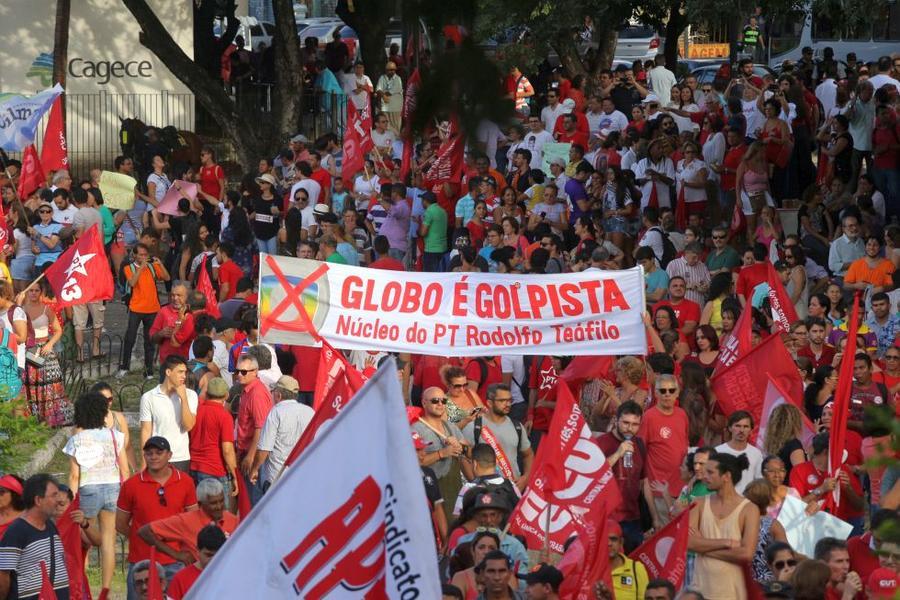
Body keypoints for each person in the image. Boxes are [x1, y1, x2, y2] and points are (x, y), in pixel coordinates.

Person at [116, 436, 198, 600]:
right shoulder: (131, 485)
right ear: (144, 456)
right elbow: (120, 524)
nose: (153, 457)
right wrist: (141, 539)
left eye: (159, 453)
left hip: (175, 561)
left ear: (169, 455)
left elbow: (193, 522)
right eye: (149, 453)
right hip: (141, 562)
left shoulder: (186, 482)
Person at [63, 391, 128, 591]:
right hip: (113, 489)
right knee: (108, 541)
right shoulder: (115, 435)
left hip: (88, 489)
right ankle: (106, 589)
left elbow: (74, 476)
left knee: (83, 538)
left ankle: (82, 585)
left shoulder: (78, 438)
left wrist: (70, 500)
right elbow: (124, 469)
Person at [688, 452, 760, 600]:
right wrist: (726, 543)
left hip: (734, 593)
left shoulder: (749, 509)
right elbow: (689, 543)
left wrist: (704, 550)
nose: (704, 476)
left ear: (726, 476)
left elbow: (746, 554)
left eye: (710, 472)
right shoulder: (698, 503)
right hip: (700, 591)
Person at [0, 474, 70, 600]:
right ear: (38, 500)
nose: (60, 501)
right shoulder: (17, 531)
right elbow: (3, 576)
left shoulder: (50, 526)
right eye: (54, 495)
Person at [138, 478, 236, 566]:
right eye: (213, 503)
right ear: (200, 504)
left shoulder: (233, 521)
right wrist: (177, 555)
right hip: (198, 579)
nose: (219, 506)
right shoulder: (186, 521)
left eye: (221, 501)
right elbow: (145, 532)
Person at [595, 401, 651, 552]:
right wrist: (618, 453)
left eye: (635, 424)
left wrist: (655, 517)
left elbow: (644, 482)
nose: (629, 428)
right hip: (607, 517)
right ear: (615, 420)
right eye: (625, 423)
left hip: (633, 517)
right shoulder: (601, 443)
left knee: (630, 563)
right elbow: (594, 475)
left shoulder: (639, 444)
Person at [639, 374, 689, 528]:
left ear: (677, 392)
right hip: (659, 489)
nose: (667, 394)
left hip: (682, 489)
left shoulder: (682, 414)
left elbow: (685, 443)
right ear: (656, 393)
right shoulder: (649, 417)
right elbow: (641, 450)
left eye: (671, 390)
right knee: (666, 533)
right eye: (663, 390)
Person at [462, 384, 533, 491]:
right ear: (489, 403)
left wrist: (526, 478)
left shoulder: (517, 426)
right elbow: (463, 459)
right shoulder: (474, 427)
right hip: (484, 493)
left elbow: (528, 455)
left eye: (510, 400)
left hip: (512, 491)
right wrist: (476, 485)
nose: (508, 404)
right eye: (502, 400)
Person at [250, 375, 314, 492]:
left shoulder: (276, 412)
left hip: (277, 479)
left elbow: (264, 449)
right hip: (303, 477)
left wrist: (254, 469)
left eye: (273, 392)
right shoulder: (310, 412)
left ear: (279, 395)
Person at [789, 432, 864, 531]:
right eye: (839, 450)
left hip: (838, 530)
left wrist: (849, 489)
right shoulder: (799, 471)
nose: (842, 453)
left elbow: (859, 506)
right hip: (808, 529)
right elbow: (795, 506)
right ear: (826, 452)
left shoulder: (842, 470)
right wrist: (821, 489)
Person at [118, 243, 170, 378]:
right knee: (130, 338)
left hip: (153, 308)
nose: (143, 257)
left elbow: (166, 277)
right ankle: (124, 367)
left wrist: (160, 264)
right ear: (134, 255)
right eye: (140, 255)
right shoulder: (128, 268)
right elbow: (132, 283)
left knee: (150, 340)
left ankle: (149, 371)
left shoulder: (153, 267)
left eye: (145, 255)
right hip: (136, 308)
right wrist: (141, 267)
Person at [139, 355, 198, 472]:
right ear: (168, 372)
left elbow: (189, 426)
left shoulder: (191, 395)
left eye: (185, 372)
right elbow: (146, 431)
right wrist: (143, 460)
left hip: (180, 457)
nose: (184, 376)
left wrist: (184, 399)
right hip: (156, 456)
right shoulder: (148, 397)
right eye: (180, 372)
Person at [188, 377, 238, 509]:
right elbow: (227, 449)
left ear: (207, 393)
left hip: (193, 466)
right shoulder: (224, 416)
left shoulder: (196, 410)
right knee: (218, 516)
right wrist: (234, 475)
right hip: (215, 470)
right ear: (226, 395)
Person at [235, 354, 273, 508]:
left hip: (255, 454)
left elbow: (261, 427)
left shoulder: (256, 394)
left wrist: (251, 457)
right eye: (237, 371)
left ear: (255, 371)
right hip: (247, 450)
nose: (239, 375)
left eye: (244, 372)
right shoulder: (247, 390)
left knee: (255, 502)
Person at [744, 479, 789, 583]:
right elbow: (784, 553)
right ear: (769, 499)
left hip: (745, 581)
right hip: (768, 582)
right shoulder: (773, 525)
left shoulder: (740, 522)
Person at [164, 524, 227, 600]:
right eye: (208, 555)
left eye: (218, 555)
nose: (213, 560)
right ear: (197, 550)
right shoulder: (180, 579)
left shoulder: (230, 576)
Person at [715, 411, 764, 494]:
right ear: (730, 428)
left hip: (747, 502)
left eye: (745, 426)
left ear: (751, 430)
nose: (741, 430)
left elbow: (759, 481)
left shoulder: (756, 453)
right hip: (722, 501)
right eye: (737, 426)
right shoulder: (718, 451)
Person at [148, 283, 195, 368]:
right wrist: (160, 334)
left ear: (187, 296)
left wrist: (179, 323)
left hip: (186, 363)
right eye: (173, 295)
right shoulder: (163, 311)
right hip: (167, 363)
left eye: (179, 295)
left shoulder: (192, 314)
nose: (175, 298)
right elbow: (152, 338)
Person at [450, 529, 501, 599]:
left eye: (491, 548)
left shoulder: (509, 578)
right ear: (473, 551)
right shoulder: (460, 577)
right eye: (481, 547)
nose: (486, 552)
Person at [608, 519, 649, 598]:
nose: (609, 543)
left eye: (613, 539)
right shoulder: (589, 570)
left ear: (621, 542)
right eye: (604, 540)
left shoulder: (636, 569)